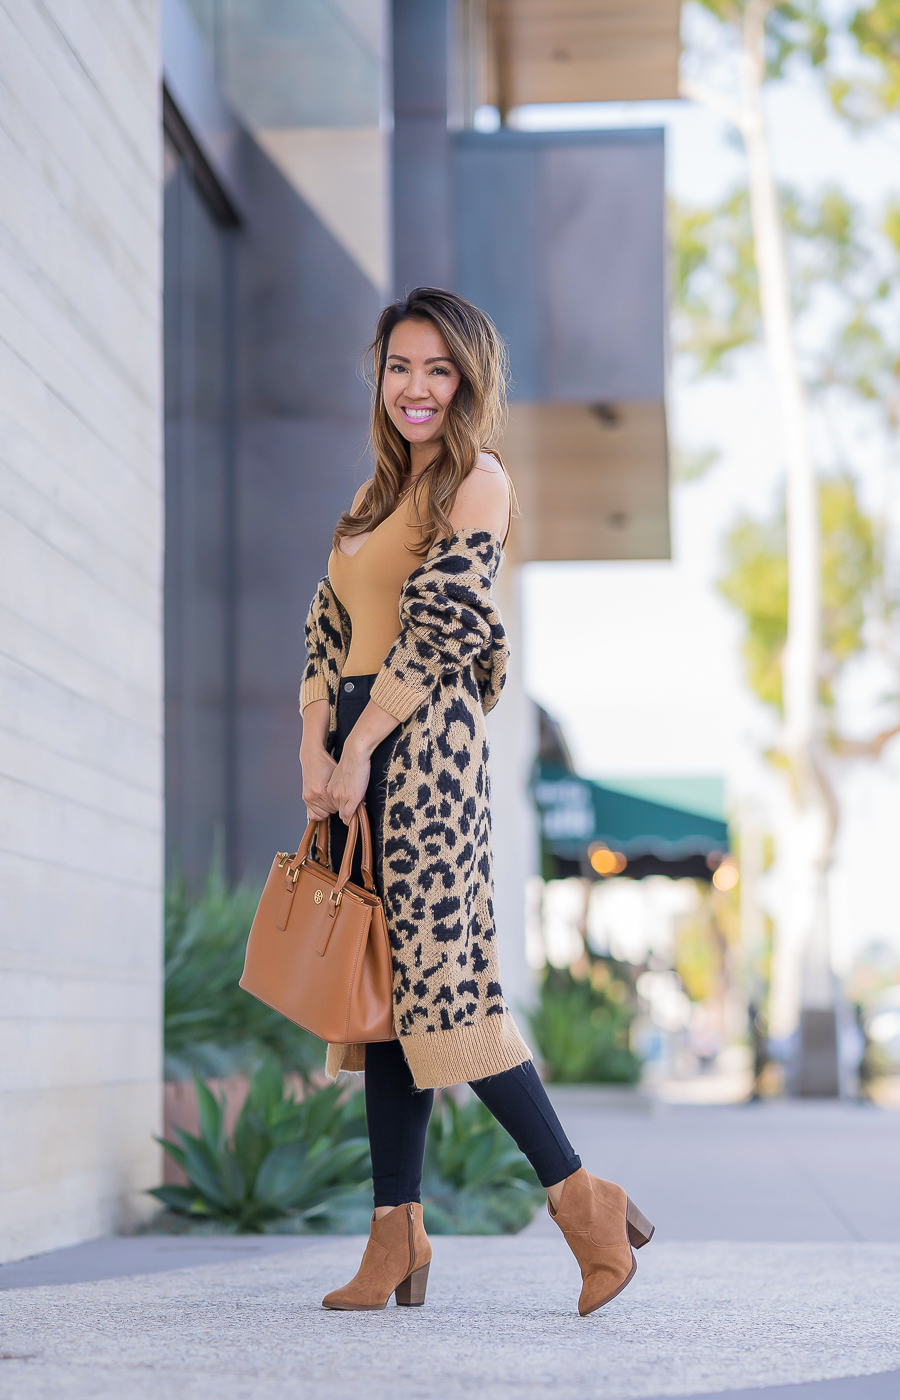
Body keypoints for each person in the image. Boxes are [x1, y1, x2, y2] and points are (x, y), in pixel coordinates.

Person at [298, 287, 654, 1316]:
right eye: (400, 366)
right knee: (384, 1007)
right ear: (381, 376)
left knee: (447, 993)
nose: (416, 387)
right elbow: (324, 634)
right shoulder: (366, 503)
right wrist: (315, 748)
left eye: (437, 370)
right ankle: (395, 1239)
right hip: (356, 757)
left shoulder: (479, 483)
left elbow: (445, 628)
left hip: (425, 756)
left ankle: (586, 1205)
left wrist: (362, 745)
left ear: (467, 382)